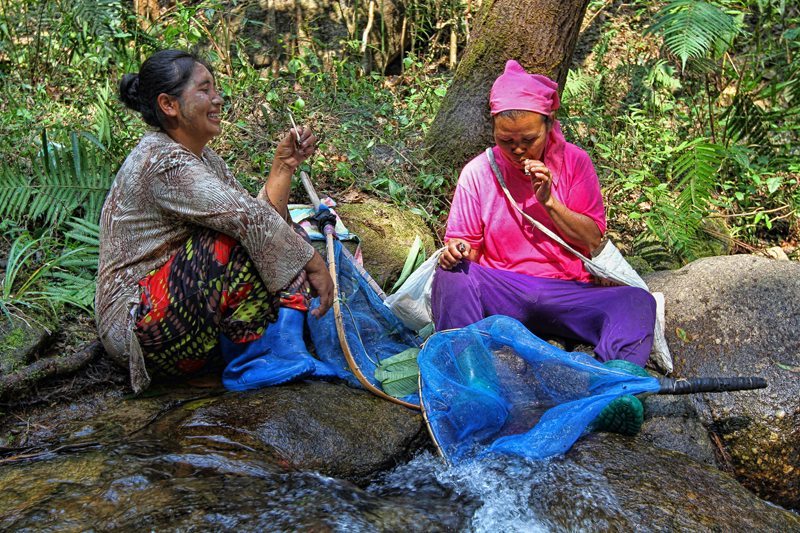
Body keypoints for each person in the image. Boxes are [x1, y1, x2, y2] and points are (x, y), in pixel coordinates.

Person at [431, 60, 656, 434]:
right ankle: (474, 387)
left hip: (565, 292)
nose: (518, 150)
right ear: (494, 131)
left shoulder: (574, 164)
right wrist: (456, 250)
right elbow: (465, 244)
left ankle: (613, 388)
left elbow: (592, 239)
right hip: (502, 288)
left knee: (636, 301)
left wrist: (551, 202)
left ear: (549, 126)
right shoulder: (478, 172)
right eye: (507, 140)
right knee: (450, 273)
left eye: (529, 139)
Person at [96, 49, 335, 394]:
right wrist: (313, 263)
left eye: (215, 89)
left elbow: (260, 217)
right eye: (204, 89)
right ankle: (249, 360)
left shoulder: (203, 157)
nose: (217, 99)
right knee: (242, 241)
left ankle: (265, 348)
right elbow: (247, 219)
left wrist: (284, 166)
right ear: (169, 104)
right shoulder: (162, 161)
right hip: (136, 326)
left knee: (283, 235)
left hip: (179, 311)